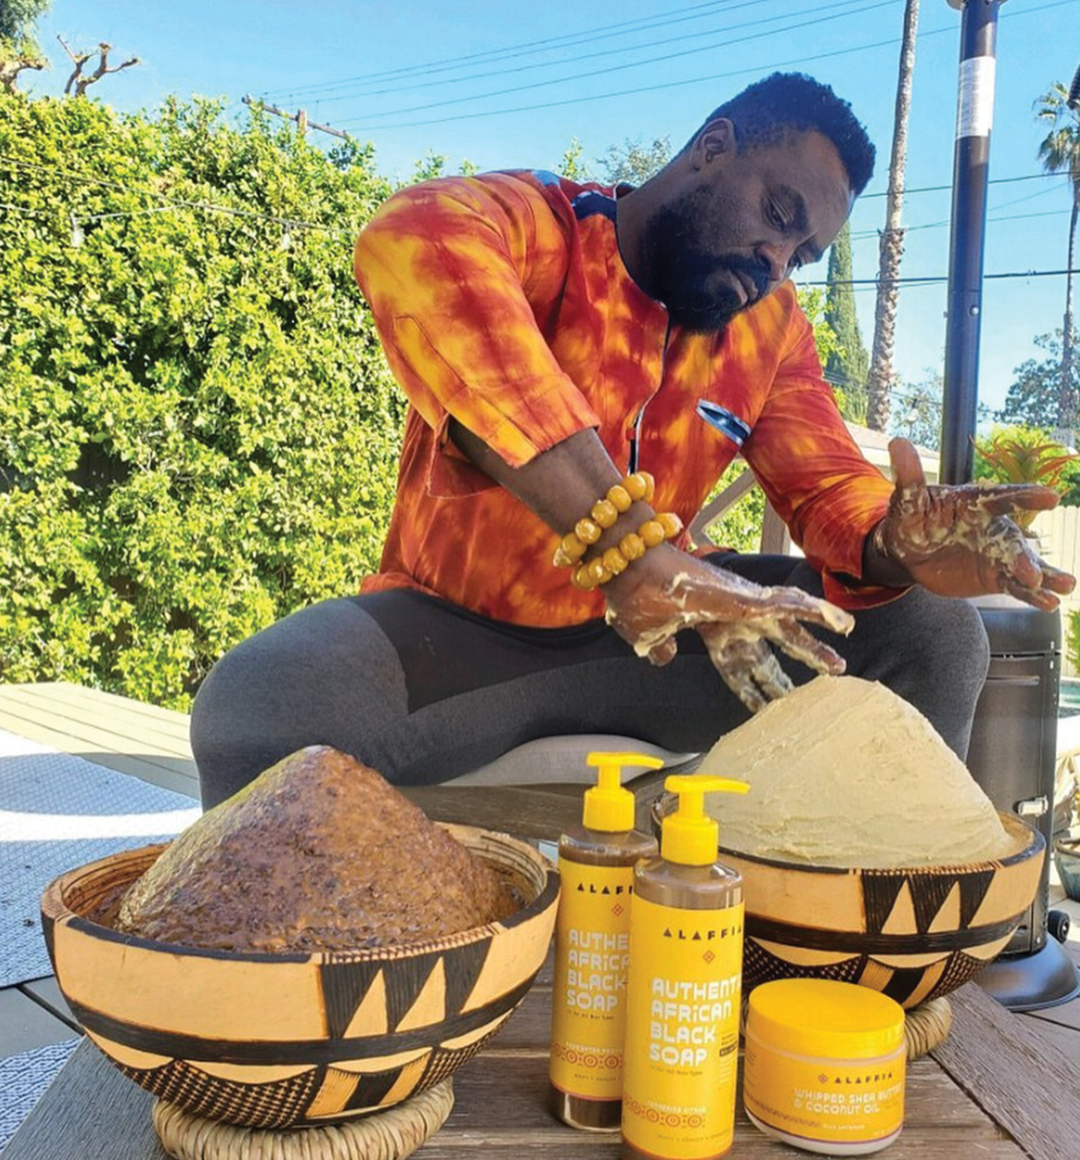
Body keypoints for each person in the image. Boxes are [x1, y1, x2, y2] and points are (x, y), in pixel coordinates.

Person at [191, 72, 1074, 809]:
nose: (777, 260)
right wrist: (627, 550)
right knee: (262, 705)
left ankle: (868, 940)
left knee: (936, 633)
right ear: (713, 148)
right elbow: (413, 237)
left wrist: (895, 543)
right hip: (458, 637)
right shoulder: (548, 227)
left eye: (802, 253)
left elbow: (826, 493)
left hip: (667, 646)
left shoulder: (771, 331)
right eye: (777, 212)